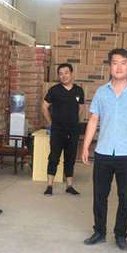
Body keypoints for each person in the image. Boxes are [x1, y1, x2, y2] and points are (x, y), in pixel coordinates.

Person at [81, 48, 127, 251]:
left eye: (123, 63)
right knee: (99, 195)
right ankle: (99, 231)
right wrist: (85, 146)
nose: (119, 67)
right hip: (103, 151)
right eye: (115, 63)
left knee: (125, 196)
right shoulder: (101, 92)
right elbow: (93, 119)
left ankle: (121, 235)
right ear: (109, 66)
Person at [42, 63, 85, 195]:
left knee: (70, 158)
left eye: (66, 73)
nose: (63, 76)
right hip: (57, 130)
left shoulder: (79, 90)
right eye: (60, 74)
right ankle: (49, 186)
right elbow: (44, 106)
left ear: (71, 74)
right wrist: (51, 123)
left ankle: (69, 186)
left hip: (73, 130)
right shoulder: (54, 90)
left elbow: (81, 108)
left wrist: (74, 121)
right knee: (54, 157)